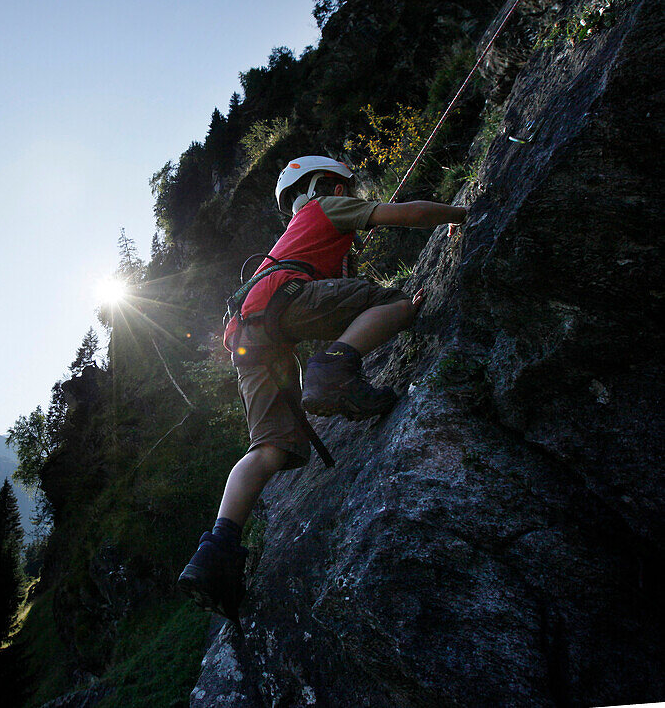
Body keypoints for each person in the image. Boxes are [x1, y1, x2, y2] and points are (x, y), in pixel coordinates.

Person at [178, 155, 467, 622]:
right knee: (393, 300)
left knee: (269, 446)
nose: (351, 196)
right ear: (327, 184)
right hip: (285, 305)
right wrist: (460, 215)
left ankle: (216, 551)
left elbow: (336, 301)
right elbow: (408, 213)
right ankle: (334, 368)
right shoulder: (327, 208)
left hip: (247, 333)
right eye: (346, 188)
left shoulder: (294, 235)